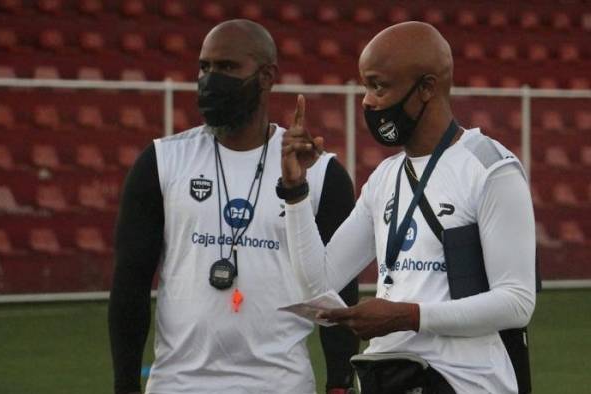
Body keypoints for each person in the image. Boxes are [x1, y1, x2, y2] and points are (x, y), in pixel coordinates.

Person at [280, 21, 536, 394]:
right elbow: (317, 284)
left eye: (379, 86)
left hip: (466, 383)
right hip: (389, 376)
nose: (367, 101)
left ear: (427, 87)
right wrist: (295, 191)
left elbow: (517, 302)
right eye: (366, 86)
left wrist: (407, 316)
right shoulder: (385, 177)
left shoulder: (490, 167)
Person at [108, 19, 359, 394]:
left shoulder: (322, 174)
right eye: (204, 67)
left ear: (266, 76)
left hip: (282, 384)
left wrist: (339, 384)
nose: (210, 79)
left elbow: (341, 297)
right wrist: (125, 387)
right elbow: (130, 284)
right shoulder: (161, 162)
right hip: (179, 384)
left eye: (226, 68)